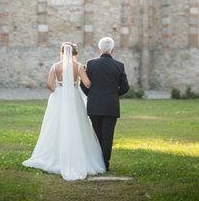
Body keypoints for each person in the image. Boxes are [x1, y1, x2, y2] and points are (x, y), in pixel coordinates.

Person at [22, 42, 106, 180]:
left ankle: (55, 155)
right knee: (77, 125)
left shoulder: (55, 66)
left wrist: (57, 92)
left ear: (62, 52)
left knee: (55, 125)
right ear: (75, 53)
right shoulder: (78, 66)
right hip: (74, 97)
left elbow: (49, 84)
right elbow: (88, 83)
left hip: (59, 99)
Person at [80, 36, 129, 171]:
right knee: (108, 136)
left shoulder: (90, 64)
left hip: (94, 105)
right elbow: (125, 88)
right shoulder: (119, 66)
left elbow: (83, 85)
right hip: (111, 106)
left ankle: (95, 163)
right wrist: (113, 95)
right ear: (112, 50)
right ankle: (105, 164)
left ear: (99, 49)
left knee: (95, 135)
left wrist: (93, 96)